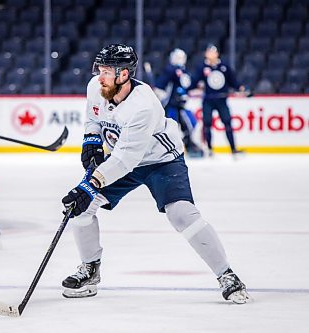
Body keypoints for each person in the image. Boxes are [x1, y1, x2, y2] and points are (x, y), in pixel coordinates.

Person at [60, 44, 250, 304]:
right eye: (100, 69)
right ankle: (90, 269)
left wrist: (90, 184)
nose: (100, 76)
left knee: (181, 214)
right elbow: (94, 117)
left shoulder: (143, 105)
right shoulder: (97, 86)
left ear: (124, 74)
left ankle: (226, 274)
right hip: (121, 158)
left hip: (161, 161)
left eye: (106, 71)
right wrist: (91, 139)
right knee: (80, 209)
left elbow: (126, 159)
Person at [189, 44, 246, 156]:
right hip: (208, 100)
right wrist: (189, 88)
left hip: (221, 99)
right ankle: (209, 148)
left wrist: (240, 87)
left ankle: (233, 148)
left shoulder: (224, 66)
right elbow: (194, 81)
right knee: (207, 124)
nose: (210, 54)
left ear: (217, 54)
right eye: (208, 52)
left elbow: (232, 80)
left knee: (227, 123)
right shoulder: (202, 68)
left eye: (212, 52)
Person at [154, 48, 203, 157]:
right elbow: (160, 85)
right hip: (170, 105)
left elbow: (187, 85)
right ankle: (167, 148)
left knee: (190, 124)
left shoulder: (184, 71)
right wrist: (159, 94)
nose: (179, 59)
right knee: (170, 128)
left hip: (181, 105)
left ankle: (189, 145)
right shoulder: (170, 70)